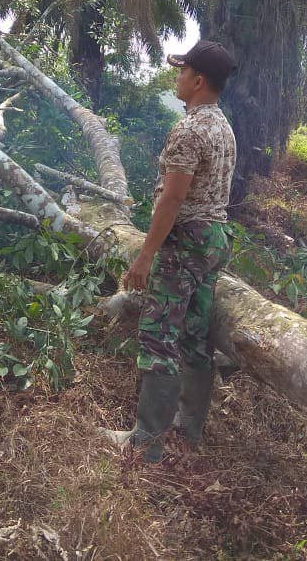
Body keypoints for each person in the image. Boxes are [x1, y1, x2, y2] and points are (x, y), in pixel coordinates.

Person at [101, 40, 238, 463]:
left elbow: (172, 201)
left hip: (184, 242)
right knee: (195, 338)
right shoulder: (222, 127)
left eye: (181, 72)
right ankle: (187, 429)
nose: (176, 78)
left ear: (197, 81)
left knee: (159, 336)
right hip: (213, 239)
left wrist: (144, 257)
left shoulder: (189, 129)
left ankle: (147, 443)